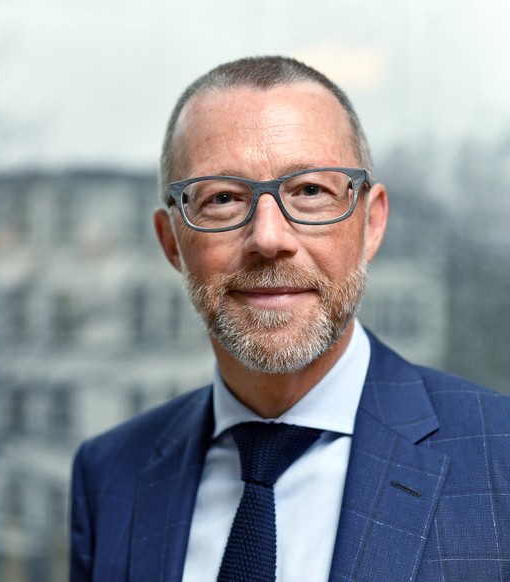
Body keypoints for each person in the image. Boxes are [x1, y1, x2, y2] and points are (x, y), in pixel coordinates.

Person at [69, 55, 510, 581]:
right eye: (224, 199)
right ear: (172, 244)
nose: (269, 239)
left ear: (370, 225)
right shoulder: (108, 476)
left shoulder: (498, 457)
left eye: (309, 191)